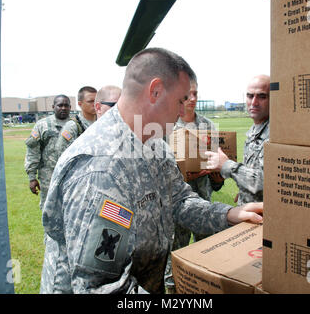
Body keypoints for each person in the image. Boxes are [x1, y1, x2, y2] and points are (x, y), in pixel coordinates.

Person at [40, 47, 263, 294]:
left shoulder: (154, 142)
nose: (182, 111)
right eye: (180, 100)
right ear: (155, 91)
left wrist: (229, 214)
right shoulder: (101, 168)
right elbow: (99, 288)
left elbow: (178, 200)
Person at [163, 78, 224, 293]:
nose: (193, 99)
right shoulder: (166, 127)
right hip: (177, 207)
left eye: (196, 94)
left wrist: (217, 174)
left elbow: (218, 180)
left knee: (206, 259)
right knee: (174, 261)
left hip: (204, 205)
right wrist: (185, 175)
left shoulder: (208, 126)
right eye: (188, 94)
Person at [205, 74, 270, 205]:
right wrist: (244, 192)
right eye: (250, 96)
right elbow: (254, 173)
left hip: (266, 216)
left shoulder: (276, 134)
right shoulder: (254, 131)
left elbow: (270, 183)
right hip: (250, 210)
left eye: (262, 96)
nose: (254, 102)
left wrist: (227, 165)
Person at [24, 94, 71, 210]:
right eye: (60, 105)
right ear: (53, 107)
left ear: (70, 107)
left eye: (66, 105)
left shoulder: (77, 125)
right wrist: (32, 177)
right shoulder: (42, 125)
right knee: (49, 210)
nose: (63, 108)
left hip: (72, 175)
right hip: (48, 176)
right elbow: (32, 152)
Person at [54, 86, 97, 157]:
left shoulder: (101, 123)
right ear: (80, 104)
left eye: (96, 101)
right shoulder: (72, 126)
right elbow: (61, 154)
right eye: (90, 101)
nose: (95, 104)